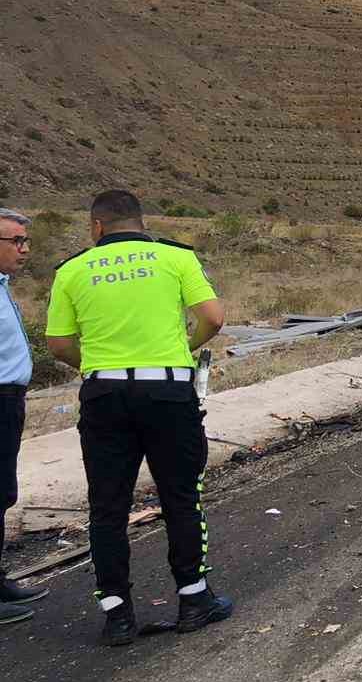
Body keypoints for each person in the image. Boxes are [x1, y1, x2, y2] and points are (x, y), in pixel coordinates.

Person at [43, 190, 231, 645]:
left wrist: (93, 365)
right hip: (167, 389)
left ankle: (118, 615)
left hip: (104, 392)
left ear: (96, 227)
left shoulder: (71, 270)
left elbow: (58, 343)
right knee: (181, 495)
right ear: (141, 223)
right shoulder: (174, 258)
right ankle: (193, 598)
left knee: (107, 505)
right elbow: (213, 318)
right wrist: (184, 350)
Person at [1, 208, 48, 625]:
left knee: (3, 493)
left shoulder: (2, 286)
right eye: (15, 241)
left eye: (25, 240)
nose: (25, 249)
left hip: (9, 400)